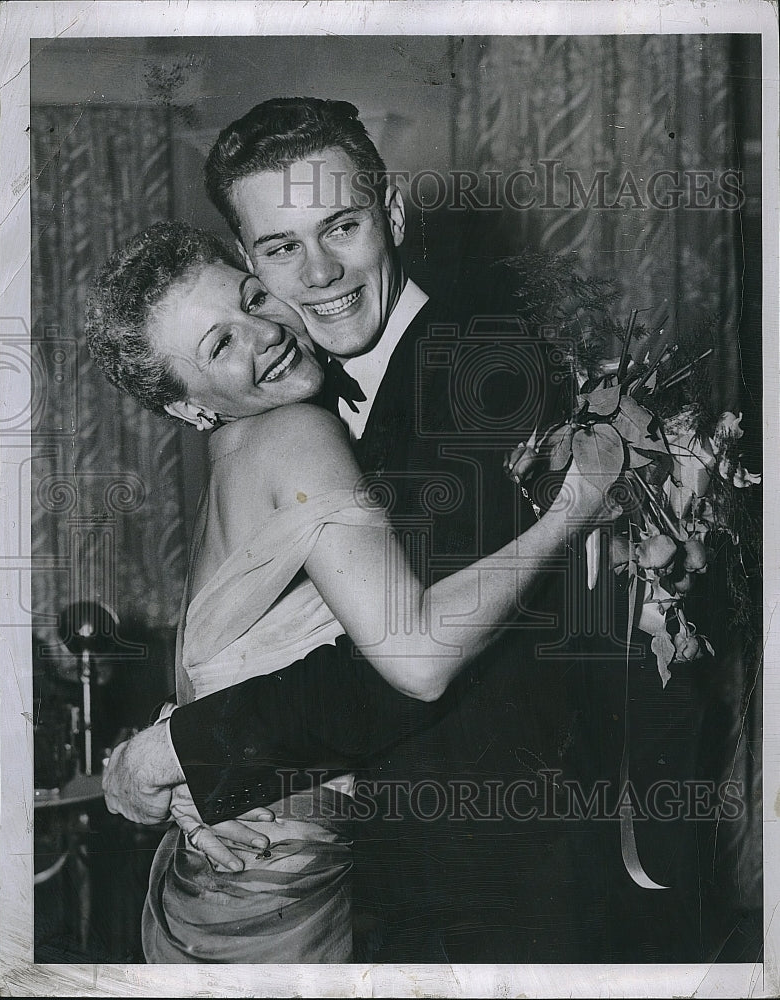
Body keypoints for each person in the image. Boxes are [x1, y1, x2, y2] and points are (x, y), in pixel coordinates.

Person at [103, 98, 707, 963]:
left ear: (390, 214)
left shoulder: (480, 367)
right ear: (251, 260)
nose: (319, 273)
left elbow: (395, 669)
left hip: (488, 882)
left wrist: (179, 753)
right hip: (379, 881)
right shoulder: (284, 394)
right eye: (281, 247)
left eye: (341, 225)